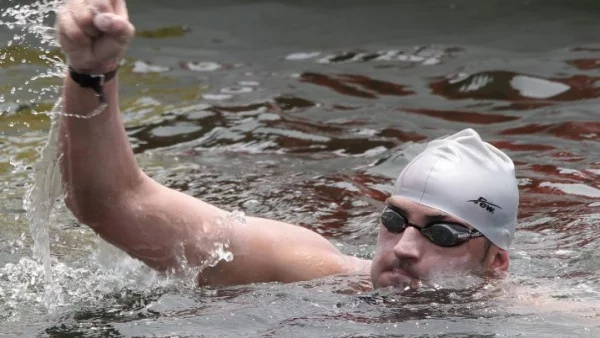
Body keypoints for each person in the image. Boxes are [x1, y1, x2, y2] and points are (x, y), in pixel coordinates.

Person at [55, 0, 517, 289]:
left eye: (442, 233)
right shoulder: (305, 270)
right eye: (395, 219)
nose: (404, 248)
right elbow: (112, 202)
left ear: (495, 262)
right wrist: (91, 73)